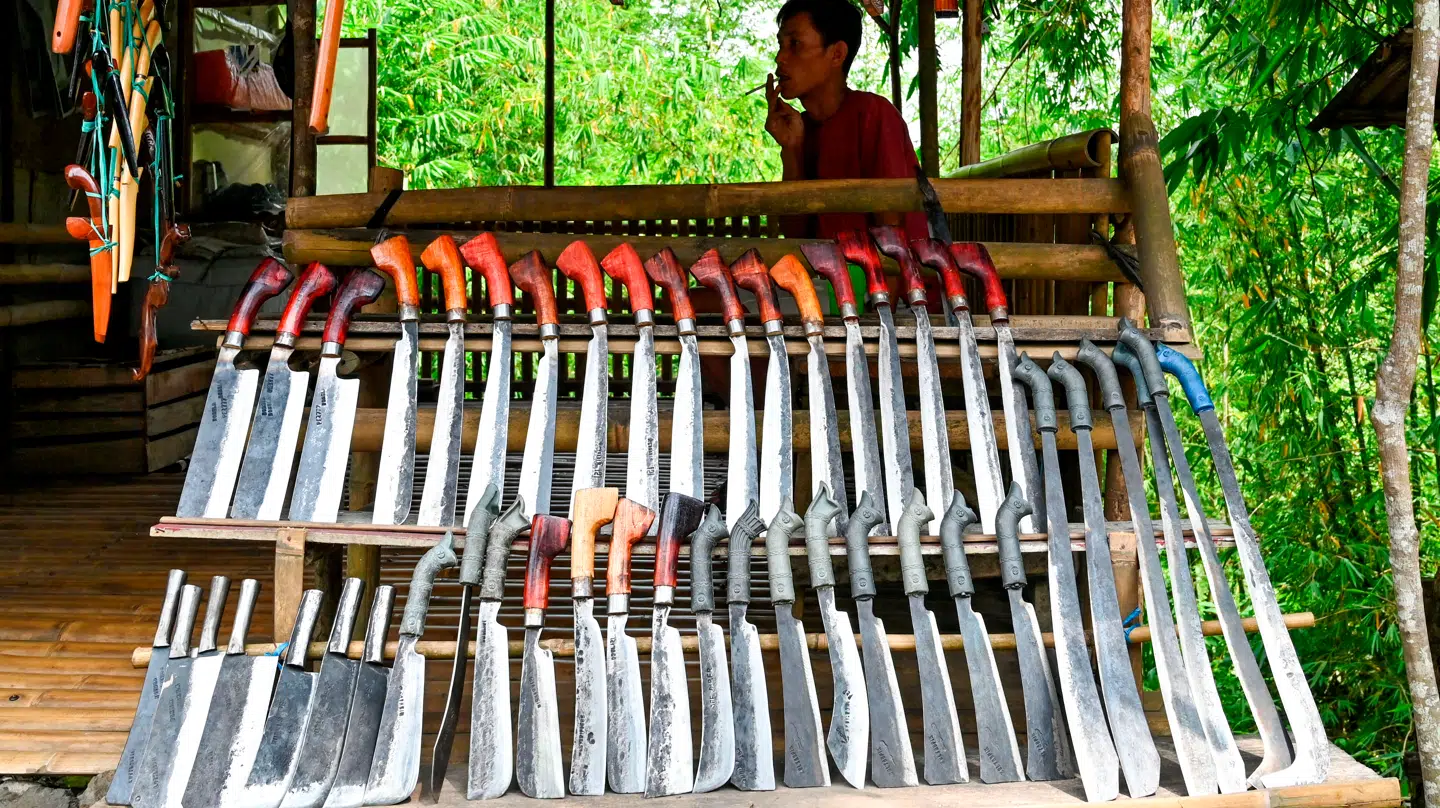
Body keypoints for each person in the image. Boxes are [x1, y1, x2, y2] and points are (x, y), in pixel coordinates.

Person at [766, 0, 928, 242]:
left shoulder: (873, 114)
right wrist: (791, 150)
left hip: (882, 276)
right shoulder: (802, 128)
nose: (780, 58)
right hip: (830, 276)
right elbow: (794, 232)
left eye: (795, 44)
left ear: (837, 54)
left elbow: (892, 232)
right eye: (781, 45)